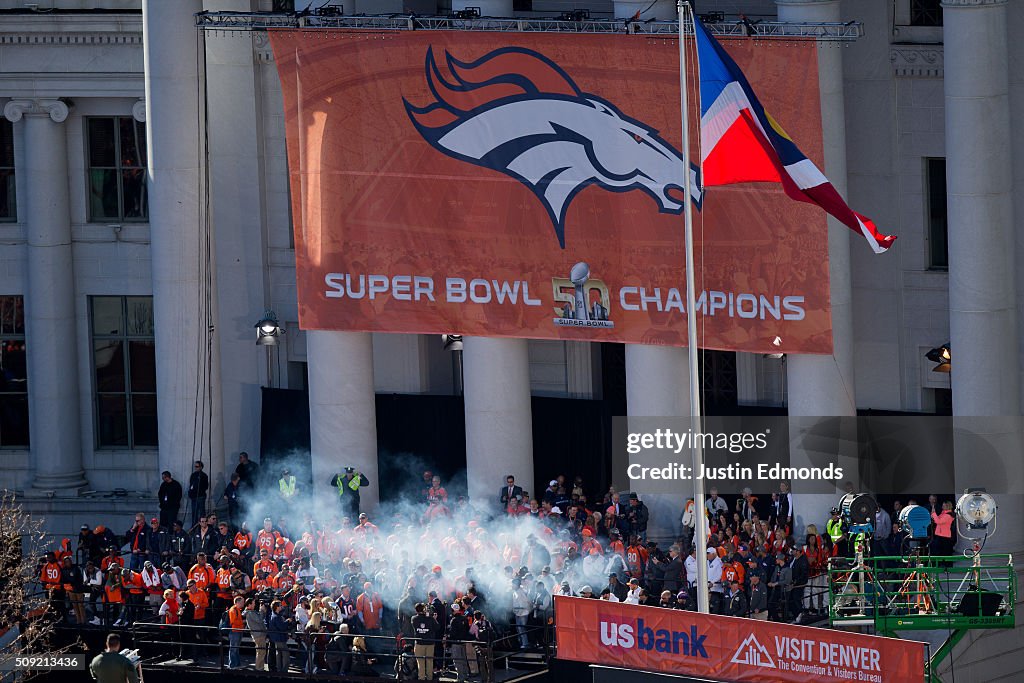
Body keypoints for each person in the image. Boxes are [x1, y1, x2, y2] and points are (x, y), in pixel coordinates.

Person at [411, 602, 437, 681]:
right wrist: (434, 619)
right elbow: (437, 627)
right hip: (430, 643)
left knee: (420, 662)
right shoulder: (430, 618)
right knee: (429, 661)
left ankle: (421, 678)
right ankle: (429, 678)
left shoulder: (414, 618)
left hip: (419, 643)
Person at [244, 597, 269, 672]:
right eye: (254, 603)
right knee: (261, 652)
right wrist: (261, 610)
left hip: (258, 634)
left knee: (261, 652)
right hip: (258, 635)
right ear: (249, 604)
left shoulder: (251, 612)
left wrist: (262, 611)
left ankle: (260, 667)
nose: (255, 605)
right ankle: (259, 668)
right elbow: (259, 619)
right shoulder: (250, 613)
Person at [268, 600, 292, 673]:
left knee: (278, 654)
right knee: (286, 655)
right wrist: (288, 621)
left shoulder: (274, 615)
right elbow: (282, 627)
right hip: (280, 638)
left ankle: (279, 669)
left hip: (277, 638)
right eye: (280, 605)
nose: (282, 606)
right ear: (277, 607)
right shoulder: (276, 617)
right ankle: (284, 670)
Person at [187, 461, 209, 529]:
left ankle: (203, 526)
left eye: (197, 466)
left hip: (201, 496)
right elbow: (191, 485)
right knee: (194, 513)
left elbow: (206, 486)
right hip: (194, 497)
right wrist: (190, 492)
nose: (195, 468)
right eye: (195, 466)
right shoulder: (193, 475)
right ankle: (194, 527)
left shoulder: (204, 475)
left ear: (201, 467)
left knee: (202, 513)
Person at [227, 595, 246, 669]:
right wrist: (243, 621)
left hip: (238, 630)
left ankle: (237, 664)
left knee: (236, 649)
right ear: (237, 602)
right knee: (233, 649)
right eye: (242, 602)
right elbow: (233, 622)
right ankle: (232, 665)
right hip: (235, 631)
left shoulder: (237, 609)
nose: (243, 603)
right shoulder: (233, 610)